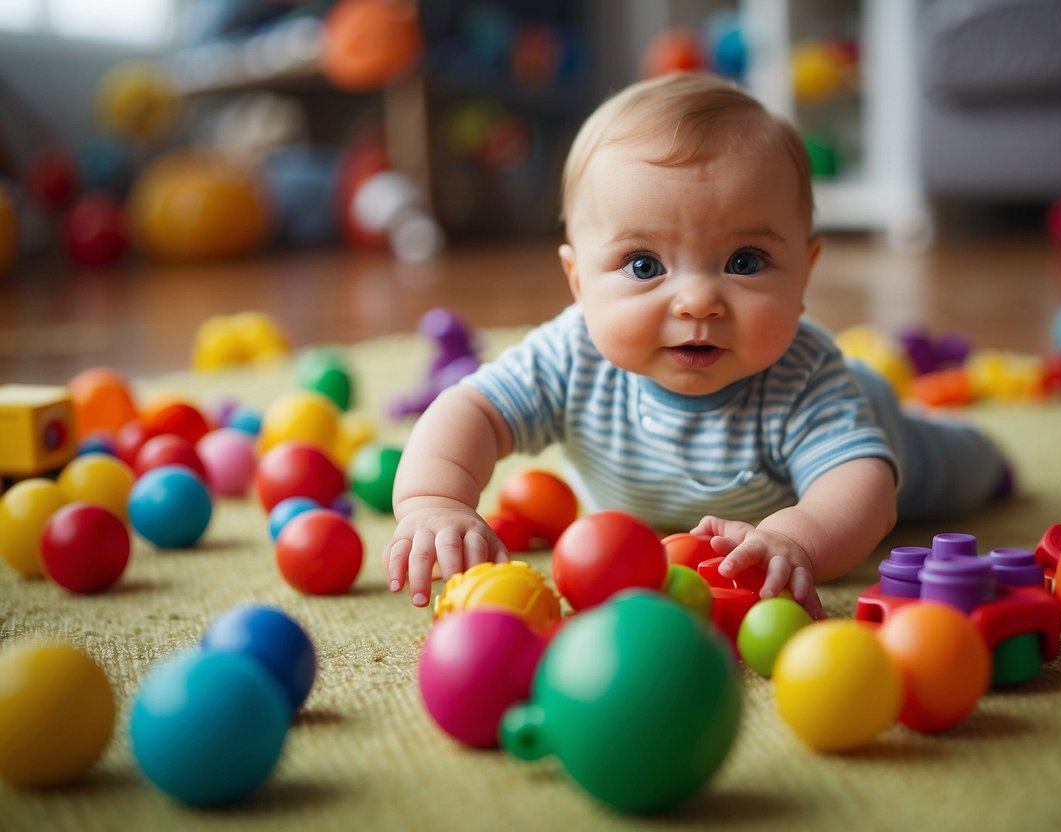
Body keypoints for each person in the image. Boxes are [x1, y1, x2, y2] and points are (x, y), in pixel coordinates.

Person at [382, 72, 1009, 617]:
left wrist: (796, 539)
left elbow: (861, 488)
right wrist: (435, 501)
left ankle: (985, 456)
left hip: (871, 426)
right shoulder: (570, 355)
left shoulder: (804, 374)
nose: (697, 301)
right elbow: (472, 411)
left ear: (805, 273)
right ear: (578, 281)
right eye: (644, 265)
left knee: (952, 468)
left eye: (745, 260)